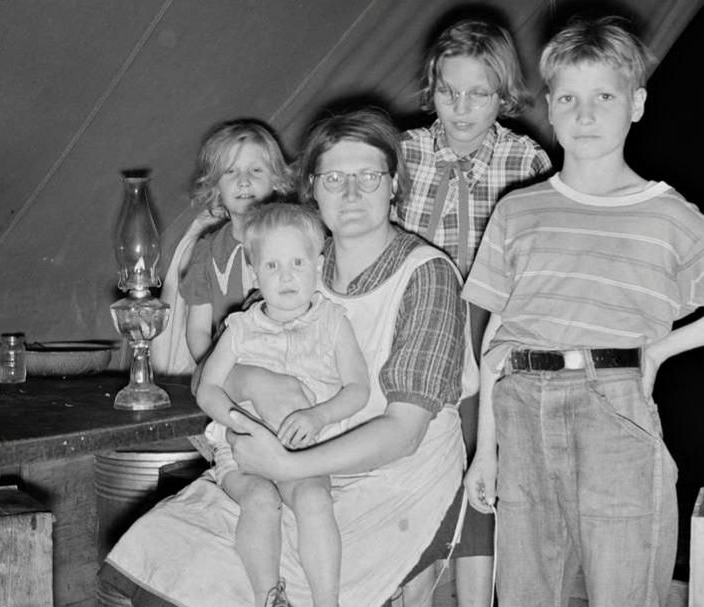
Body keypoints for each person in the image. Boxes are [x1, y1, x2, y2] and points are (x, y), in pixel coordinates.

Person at [104, 108, 478, 607]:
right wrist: (251, 382)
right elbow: (228, 366)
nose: (350, 193)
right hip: (287, 457)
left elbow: (404, 433)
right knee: (168, 545)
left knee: (257, 570)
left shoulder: (425, 274)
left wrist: (288, 461)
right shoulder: (299, 274)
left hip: (389, 480)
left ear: (394, 186)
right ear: (312, 189)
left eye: (368, 175)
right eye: (333, 178)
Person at [462, 17, 704, 607]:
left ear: (637, 104)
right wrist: (484, 453)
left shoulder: (669, 215)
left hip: (615, 411)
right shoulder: (518, 210)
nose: (586, 114)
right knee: (525, 593)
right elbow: (495, 339)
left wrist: (660, 350)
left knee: (622, 589)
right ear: (549, 106)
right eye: (568, 97)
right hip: (521, 412)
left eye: (605, 96)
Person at [394, 19, 552, 606]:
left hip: (487, 339)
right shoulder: (403, 152)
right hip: (410, 333)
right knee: (409, 468)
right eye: (446, 92)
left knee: (478, 468)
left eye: (478, 94)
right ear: (430, 88)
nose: (460, 109)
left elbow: (536, 262)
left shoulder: (525, 159)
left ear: (503, 94)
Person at [197, 202, 370, 607]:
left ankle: (328, 602)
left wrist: (319, 414)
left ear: (318, 265)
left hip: (304, 452)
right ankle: (268, 597)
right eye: (272, 266)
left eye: (297, 262)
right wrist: (240, 423)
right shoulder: (241, 328)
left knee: (314, 499)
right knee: (260, 501)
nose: (287, 275)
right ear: (255, 274)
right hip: (243, 453)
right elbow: (208, 390)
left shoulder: (332, 322)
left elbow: (357, 388)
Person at [163, 119, 294, 370]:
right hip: (229, 371)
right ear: (215, 186)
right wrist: (216, 371)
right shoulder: (207, 252)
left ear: (276, 179)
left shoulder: (296, 240)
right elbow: (198, 330)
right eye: (230, 171)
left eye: (256, 170)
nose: (243, 180)